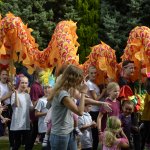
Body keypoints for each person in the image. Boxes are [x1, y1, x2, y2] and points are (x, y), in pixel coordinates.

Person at [48, 64, 88, 150]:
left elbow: (81, 100)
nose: (81, 82)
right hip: (60, 135)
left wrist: (101, 103)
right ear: (74, 79)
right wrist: (83, 92)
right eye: (80, 80)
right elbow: (80, 112)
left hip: (69, 131)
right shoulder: (63, 94)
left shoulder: (67, 89)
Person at [118, 60, 141, 150]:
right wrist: (137, 101)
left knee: (135, 134)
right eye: (130, 68)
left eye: (133, 68)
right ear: (124, 68)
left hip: (132, 111)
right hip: (127, 113)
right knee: (129, 135)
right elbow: (126, 99)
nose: (132, 70)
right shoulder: (122, 82)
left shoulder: (130, 81)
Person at [10, 76, 33, 150]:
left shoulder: (27, 95)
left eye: (26, 83)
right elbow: (16, 105)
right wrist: (16, 93)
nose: (24, 85)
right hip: (17, 124)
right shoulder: (14, 94)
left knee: (28, 143)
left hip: (26, 123)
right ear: (18, 83)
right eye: (22, 82)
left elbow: (31, 108)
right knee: (17, 143)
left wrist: (38, 103)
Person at [86, 66, 106, 150]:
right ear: (88, 73)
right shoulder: (89, 84)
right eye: (91, 73)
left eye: (95, 73)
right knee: (95, 134)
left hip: (97, 110)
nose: (94, 75)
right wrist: (103, 93)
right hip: (93, 111)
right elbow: (95, 99)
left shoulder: (93, 83)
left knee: (96, 135)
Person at [29, 70, 44, 149]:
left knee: (35, 133)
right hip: (36, 114)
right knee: (35, 132)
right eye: (42, 75)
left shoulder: (39, 85)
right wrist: (43, 99)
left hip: (39, 113)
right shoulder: (35, 86)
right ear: (37, 76)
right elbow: (34, 102)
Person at [0, 69, 14, 149]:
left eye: (6, 74)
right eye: (3, 74)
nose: (5, 76)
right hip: (2, 107)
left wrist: (12, 90)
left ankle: (12, 145)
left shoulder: (9, 85)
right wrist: (7, 95)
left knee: (11, 127)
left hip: (9, 107)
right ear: (0, 75)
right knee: (1, 128)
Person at [141, 77, 150, 150]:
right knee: (147, 134)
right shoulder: (148, 95)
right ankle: (145, 146)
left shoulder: (148, 94)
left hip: (146, 117)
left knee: (146, 133)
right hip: (148, 118)